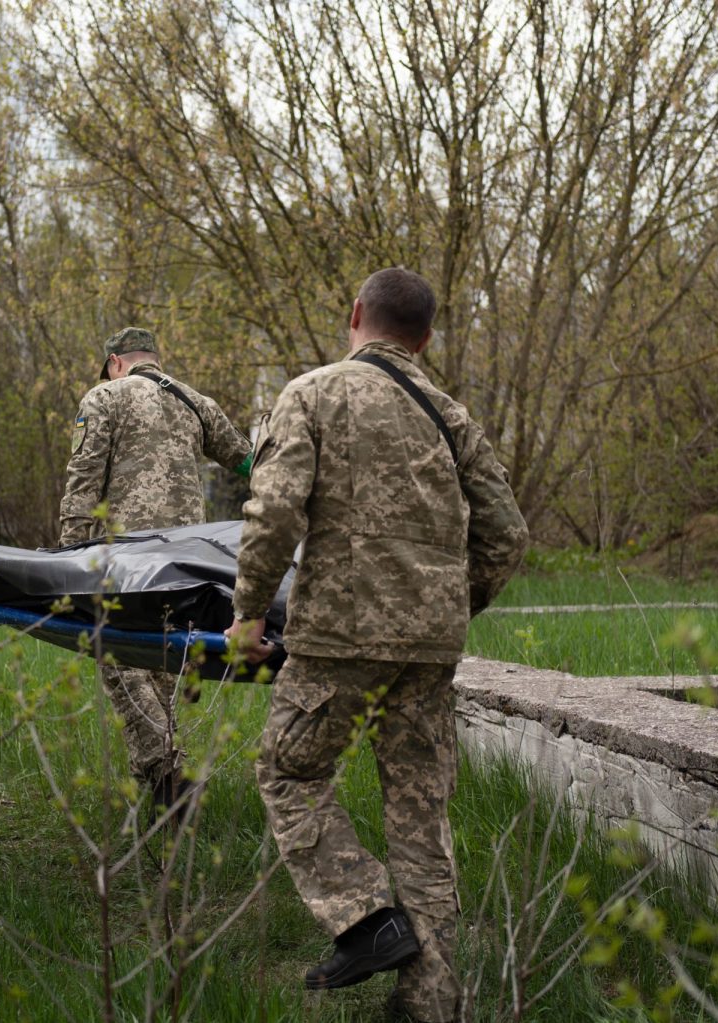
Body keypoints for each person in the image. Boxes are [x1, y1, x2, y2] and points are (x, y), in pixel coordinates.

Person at [225, 269, 528, 1021]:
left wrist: (248, 614)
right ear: (424, 339)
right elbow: (508, 534)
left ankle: (364, 918)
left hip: (339, 636)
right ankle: (432, 1000)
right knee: (420, 820)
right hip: (431, 648)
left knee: (287, 769)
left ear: (355, 314)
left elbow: (274, 511)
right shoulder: (452, 416)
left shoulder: (314, 392)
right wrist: (452, 606)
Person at [59, 326, 253, 809]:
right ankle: (164, 795)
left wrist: (67, 558)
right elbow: (248, 461)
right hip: (191, 558)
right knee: (163, 659)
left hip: (130, 555)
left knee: (117, 652)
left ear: (113, 362)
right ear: (155, 360)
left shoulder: (104, 396)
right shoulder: (195, 401)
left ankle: (167, 775)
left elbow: (83, 480)